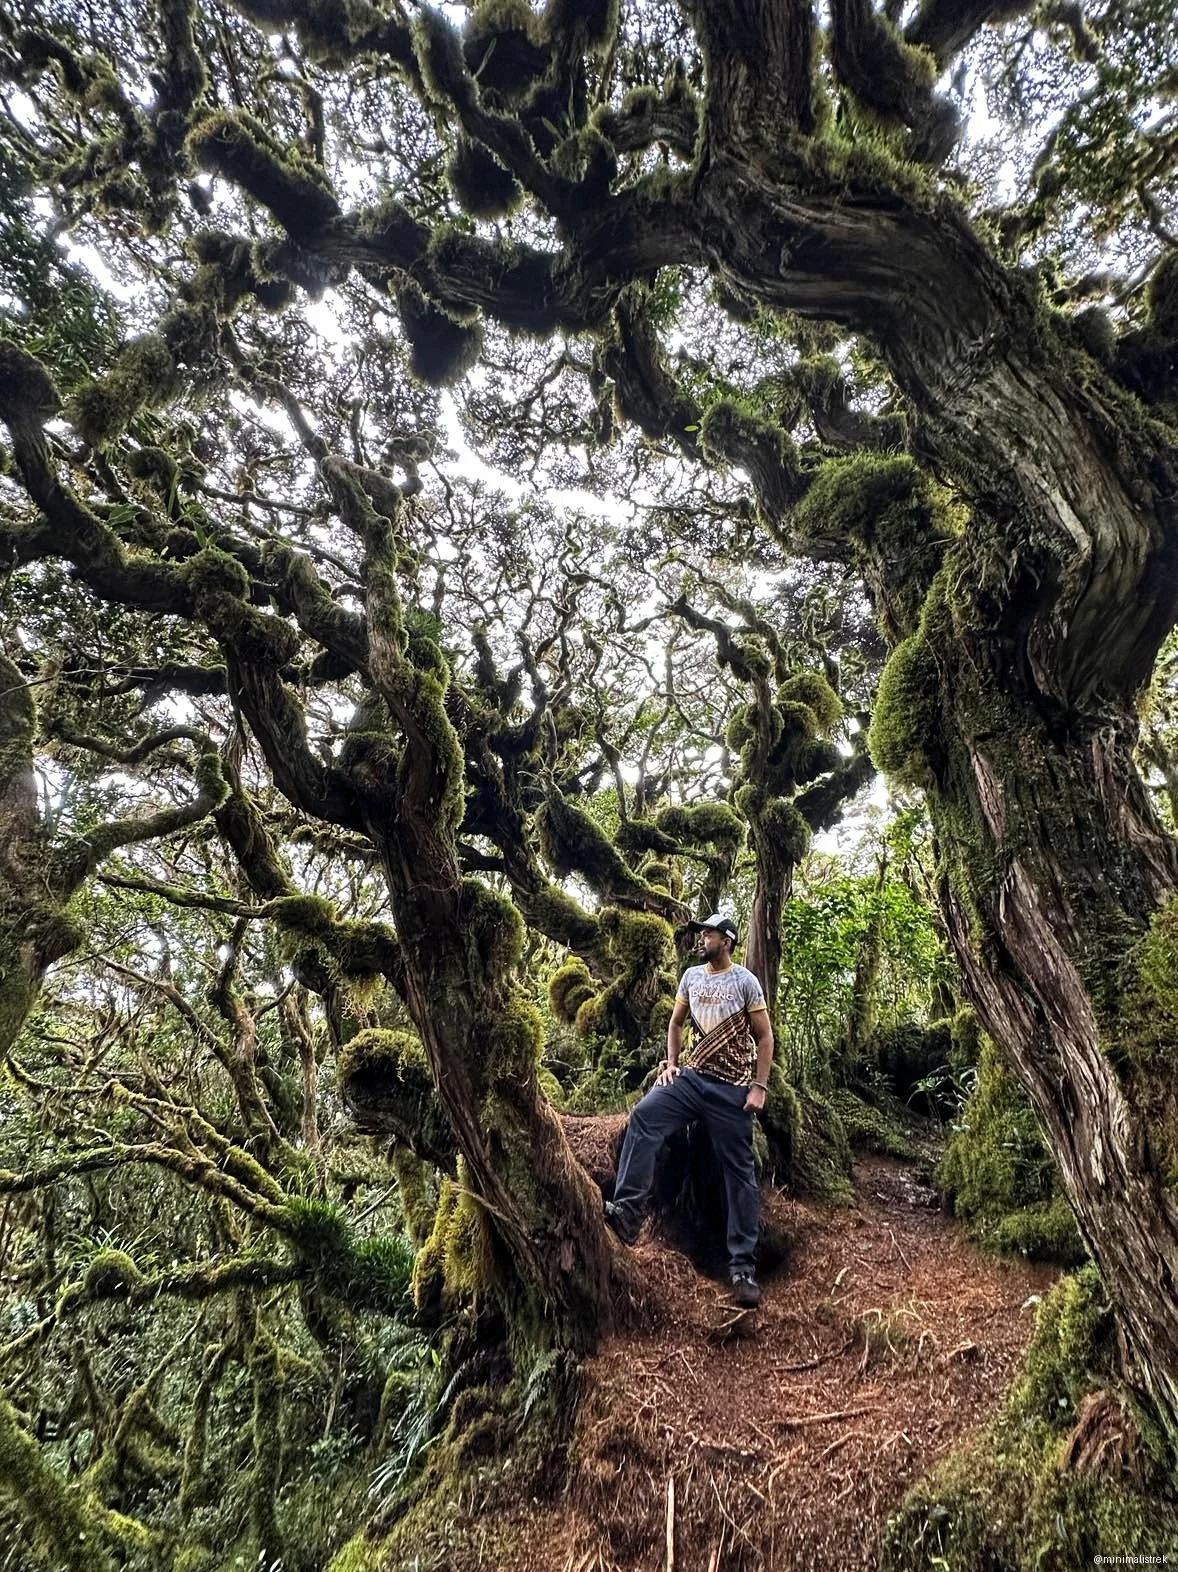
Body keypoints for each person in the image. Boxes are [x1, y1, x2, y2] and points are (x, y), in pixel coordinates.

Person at [603, 912, 774, 1308]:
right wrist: (671, 1062)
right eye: (702, 933)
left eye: (710, 933)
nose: (703, 939)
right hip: (691, 1080)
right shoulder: (691, 977)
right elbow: (676, 1023)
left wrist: (759, 1087)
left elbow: (765, 1037)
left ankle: (743, 1267)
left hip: (730, 1091)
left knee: (739, 1173)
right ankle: (628, 1212)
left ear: (727, 940)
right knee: (644, 1116)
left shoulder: (745, 982)